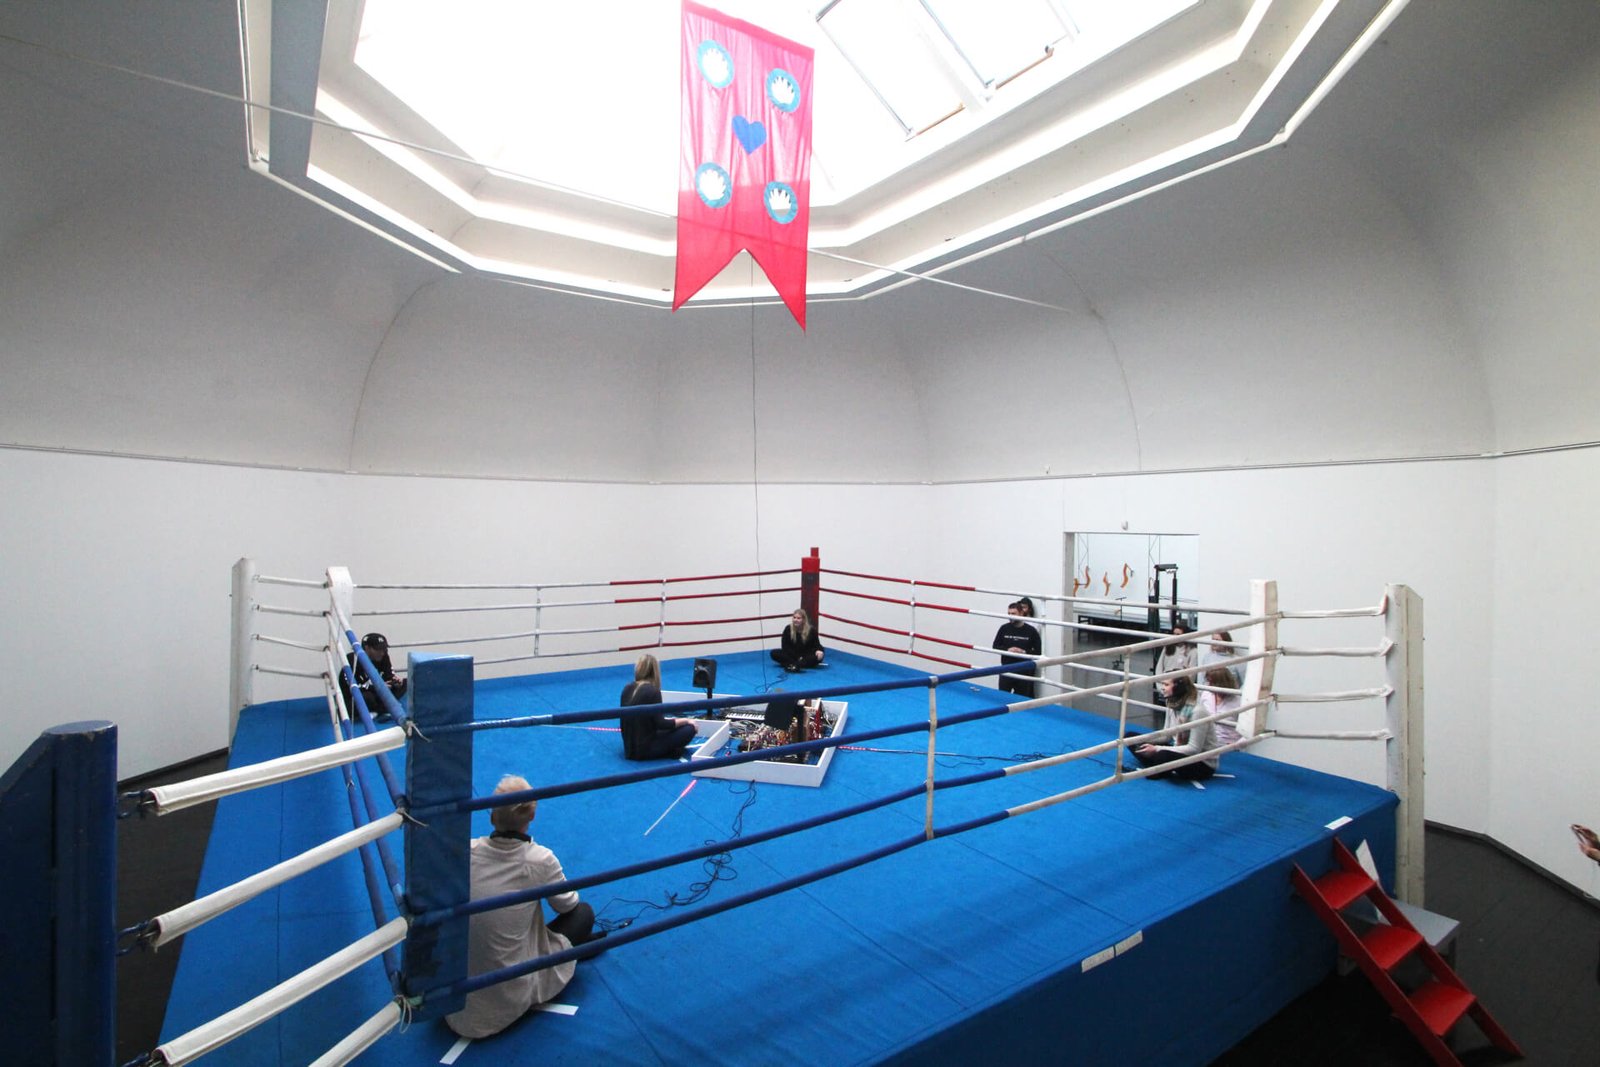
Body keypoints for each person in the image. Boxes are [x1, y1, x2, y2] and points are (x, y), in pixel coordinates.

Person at [445, 776, 604, 1039]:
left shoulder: (468, 852)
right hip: (505, 997)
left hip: (455, 996)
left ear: (492, 814)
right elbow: (568, 906)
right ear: (532, 815)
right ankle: (564, 955)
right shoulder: (538, 859)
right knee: (583, 913)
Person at [1129, 674, 1218, 782]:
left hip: (1202, 762)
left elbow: (1194, 749)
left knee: (1162, 755)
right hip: (1178, 749)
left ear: (1178, 687)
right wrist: (1143, 740)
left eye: (1166, 684)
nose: (1162, 688)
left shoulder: (1197, 711)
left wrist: (1157, 749)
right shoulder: (1172, 704)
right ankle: (1160, 765)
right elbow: (1166, 736)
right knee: (1130, 738)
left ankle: (1160, 765)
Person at [619, 654, 697, 761]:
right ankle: (668, 751)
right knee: (689, 729)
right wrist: (686, 720)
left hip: (629, 747)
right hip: (645, 749)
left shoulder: (627, 688)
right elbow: (662, 724)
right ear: (655, 671)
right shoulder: (653, 691)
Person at [341, 632, 406, 722]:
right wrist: (376, 687)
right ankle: (381, 709)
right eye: (378, 650)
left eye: (384, 649)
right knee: (367, 697)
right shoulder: (352, 660)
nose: (382, 653)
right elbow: (349, 687)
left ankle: (379, 710)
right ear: (367, 648)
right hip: (359, 694)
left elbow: (389, 674)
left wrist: (394, 681)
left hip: (377, 692)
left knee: (405, 683)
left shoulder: (384, 656)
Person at [992, 597, 1042, 698]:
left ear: (1021, 613)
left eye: (1013, 614)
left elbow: (1038, 652)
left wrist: (1023, 652)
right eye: (1009, 613)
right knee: (1002, 699)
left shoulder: (1031, 631)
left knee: (1021, 701)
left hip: (1023, 671)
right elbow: (995, 646)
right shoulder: (1004, 628)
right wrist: (1007, 650)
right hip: (1006, 669)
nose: (1010, 616)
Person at [1198, 664, 1242, 749]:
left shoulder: (1239, 701)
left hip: (1228, 745)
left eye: (1213, 683)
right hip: (1206, 742)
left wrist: (1235, 745)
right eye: (1208, 681)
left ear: (1222, 683)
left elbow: (1247, 730)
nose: (1209, 685)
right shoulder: (1206, 694)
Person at [771, 608, 825, 672]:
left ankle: (792, 664)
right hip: (792, 655)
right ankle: (798, 664)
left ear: (804, 620)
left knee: (818, 657)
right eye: (794, 618)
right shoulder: (788, 629)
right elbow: (785, 647)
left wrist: (820, 651)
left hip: (806, 655)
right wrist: (798, 657)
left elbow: (817, 645)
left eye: (798, 618)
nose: (796, 620)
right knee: (774, 653)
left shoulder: (811, 630)